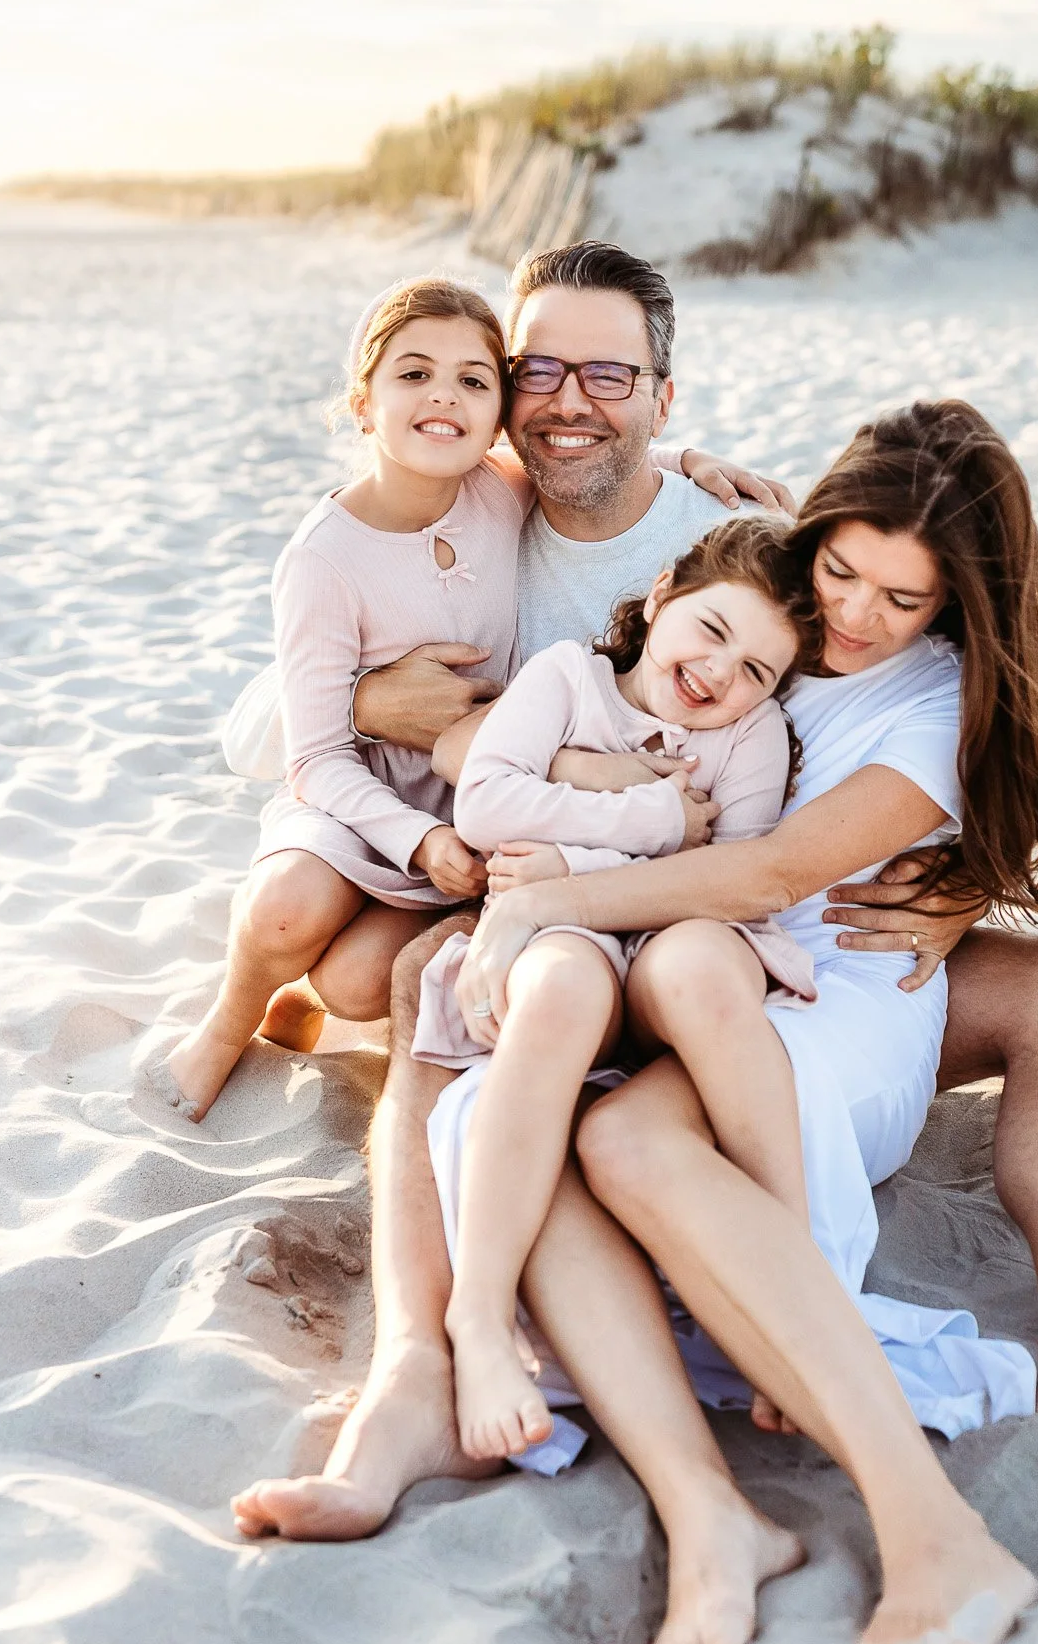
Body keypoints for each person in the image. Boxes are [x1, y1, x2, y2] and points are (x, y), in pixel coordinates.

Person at [232, 250, 1038, 1640]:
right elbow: (285, 722)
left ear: (662, 393)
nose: (566, 403)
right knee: (438, 997)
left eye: (608, 375)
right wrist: (386, 711)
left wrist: (955, 880)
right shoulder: (468, 502)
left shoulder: (740, 547)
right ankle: (427, 1368)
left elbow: (800, 823)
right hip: (583, 903)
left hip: (737, 936)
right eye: (539, 372)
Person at [161, 267, 776, 1120]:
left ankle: (307, 995)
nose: (443, 398)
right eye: (412, 374)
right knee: (284, 916)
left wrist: (684, 461)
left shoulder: (519, 494)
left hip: (477, 805)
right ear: (362, 400)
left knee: (353, 980)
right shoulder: (348, 544)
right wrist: (374, 719)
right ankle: (229, 1020)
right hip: (374, 800)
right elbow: (291, 749)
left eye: (473, 381)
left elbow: (603, 454)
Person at [416, 515, 822, 1462]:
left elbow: (726, 864)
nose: (721, 675)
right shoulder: (566, 678)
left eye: (757, 670)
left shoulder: (753, 737)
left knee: (707, 966)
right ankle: (478, 1318)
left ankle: (788, 1298)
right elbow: (482, 803)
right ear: (663, 594)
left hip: (682, 937)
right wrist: (643, 810)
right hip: (567, 934)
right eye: (713, 631)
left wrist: (565, 843)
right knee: (554, 991)